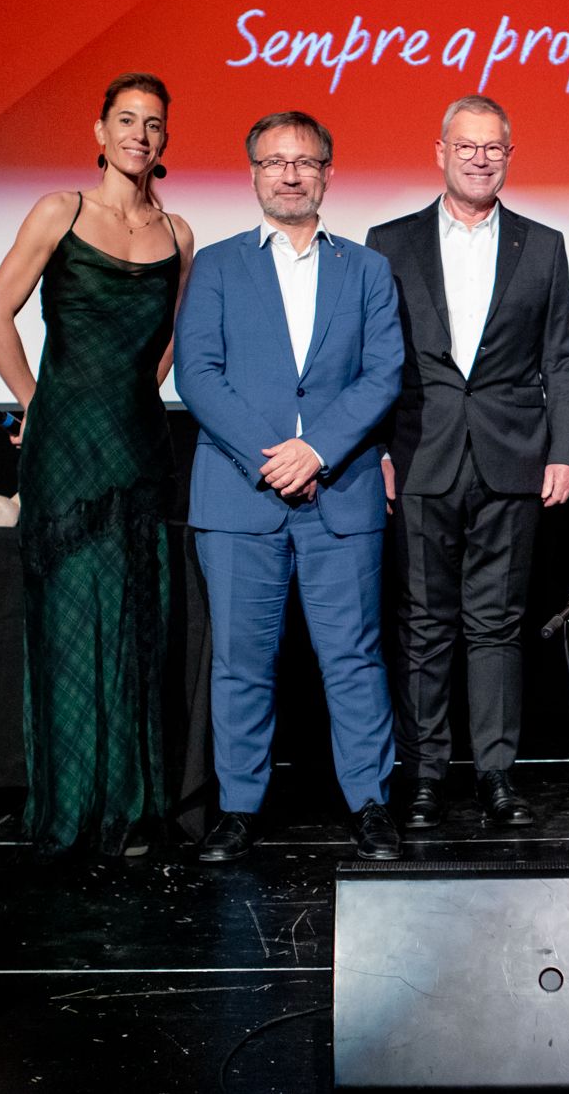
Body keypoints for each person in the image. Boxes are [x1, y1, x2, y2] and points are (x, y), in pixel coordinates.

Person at [173, 110, 405, 862]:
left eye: (305, 161)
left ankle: (370, 803)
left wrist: (319, 451)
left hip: (340, 497)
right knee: (240, 659)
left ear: (328, 173)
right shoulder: (217, 263)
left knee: (356, 656)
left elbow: (383, 374)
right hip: (241, 497)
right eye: (274, 162)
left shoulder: (366, 268)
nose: (291, 173)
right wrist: (273, 457)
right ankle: (237, 807)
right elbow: (196, 372)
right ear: (254, 176)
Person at [0, 71, 195, 857]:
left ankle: (135, 808)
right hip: (65, 446)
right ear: (100, 131)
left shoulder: (180, 234)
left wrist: (136, 393)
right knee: (72, 623)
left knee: (140, 623)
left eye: (155, 124)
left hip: (140, 443)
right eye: (127, 120)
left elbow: (172, 340)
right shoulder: (59, 210)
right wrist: (36, 401)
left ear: (165, 142)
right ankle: (72, 809)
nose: (141, 133)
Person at [364, 96, 569, 829]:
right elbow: (371, 361)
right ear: (441, 152)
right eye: (467, 146)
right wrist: (376, 453)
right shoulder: (388, 242)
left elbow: (561, 354)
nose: (480, 158)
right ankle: (423, 776)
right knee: (424, 623)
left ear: (509, 156)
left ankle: (496, 774)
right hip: (419, 453)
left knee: (497, 623)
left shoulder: (542, 244)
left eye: (494, 147)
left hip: (512, 458)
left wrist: (567, 450)